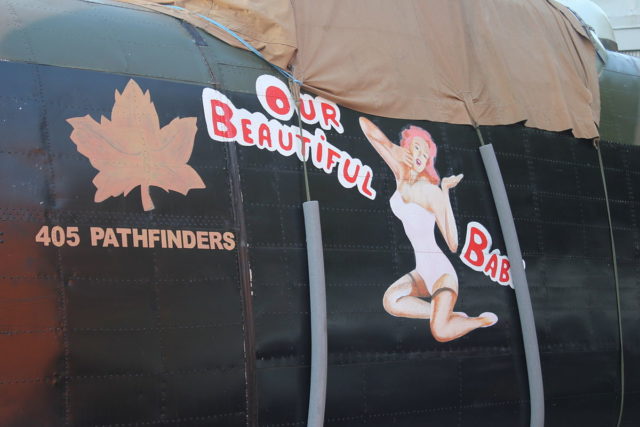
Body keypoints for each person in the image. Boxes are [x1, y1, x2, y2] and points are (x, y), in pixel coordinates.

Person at [359, 117, 497, 342]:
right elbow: (366, 126)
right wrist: (394, 149)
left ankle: (479, 321)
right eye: (416, 149)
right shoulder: (400, 177)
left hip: (443, 275)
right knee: (391, 301)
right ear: (406, 150)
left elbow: (452, 244)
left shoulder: (431, 192)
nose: (420, 157)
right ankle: (444, 314)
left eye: (425, 155)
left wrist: (444, 193)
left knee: (440, 332)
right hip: (421, 273)